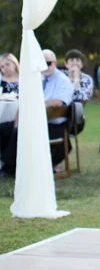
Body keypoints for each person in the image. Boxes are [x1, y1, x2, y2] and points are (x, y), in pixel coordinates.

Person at [0, 49, 74, 177]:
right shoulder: (38, 78)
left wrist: (37, 107)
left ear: (55, 63)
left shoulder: (63, 81)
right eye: (41, 63)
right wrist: (18, 122)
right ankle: (7, 163)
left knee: (21, 131)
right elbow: (25, 101)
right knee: (5, 129)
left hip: (52, 124)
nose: (45, 66)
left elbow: (58, 102)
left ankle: (9, 167)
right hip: (33, 120)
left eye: (48, 63)